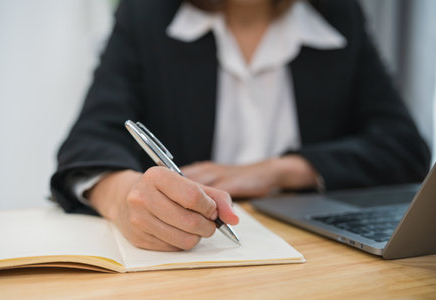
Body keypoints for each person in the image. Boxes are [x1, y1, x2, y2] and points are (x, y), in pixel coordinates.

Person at [51, 0, 431, 252]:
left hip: (314, 254)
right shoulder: (146, 14)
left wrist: (277, 171)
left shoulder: (338, 13)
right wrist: (123, 198)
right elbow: (89, 139)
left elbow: (404, 145)